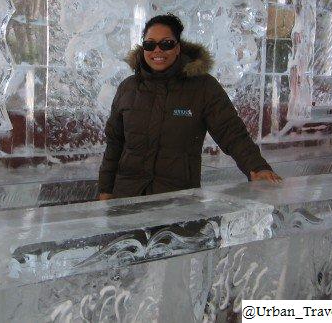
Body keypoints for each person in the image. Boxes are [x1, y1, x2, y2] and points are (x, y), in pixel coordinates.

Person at [98, 14, 282, 200]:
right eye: (150, 44)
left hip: (178, 200)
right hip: (128, 198)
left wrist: (257, 167)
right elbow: (114, 143)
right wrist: (106, 191)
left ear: (178, 47)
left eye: (166, 44)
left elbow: (231, 132)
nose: (157, 50)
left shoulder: (202, 87)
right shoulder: (128, 87)